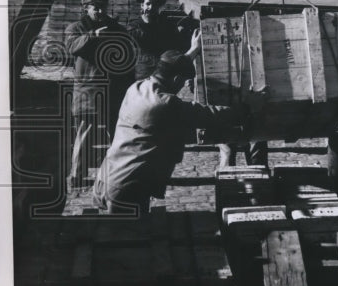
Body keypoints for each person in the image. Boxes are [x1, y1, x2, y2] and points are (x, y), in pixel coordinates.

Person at [93, 46, 250, 217]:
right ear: (176, 79)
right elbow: (208, 115)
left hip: (108, 178)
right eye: (182, 82)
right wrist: (248, 108)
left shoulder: (136, 88)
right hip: (127, 189)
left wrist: (193, 49)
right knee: (127, 238)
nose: (182, 86)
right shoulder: (165, 103)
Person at [65, 0, 133, 191]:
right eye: (96, 8)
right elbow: (71, 47)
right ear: (86, 8)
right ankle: (77, 176)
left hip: (114, 89)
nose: (101, 11)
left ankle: (118, 174)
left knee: (118, 134)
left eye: (103, 7)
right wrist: (92, 36)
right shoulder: (76, 28)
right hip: (89, 89)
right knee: (85, 133)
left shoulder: (116, 29)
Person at [127, 0, 193, 81]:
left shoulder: (166, 25)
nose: (151, 7)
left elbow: (176, 45)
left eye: (155, 4)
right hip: (144, 73)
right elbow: (146, 39)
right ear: (142, 5)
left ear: (158, 7)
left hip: (164, 72)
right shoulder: (133, 26)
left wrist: (180, 31)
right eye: (148, 4)